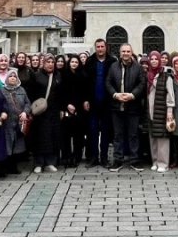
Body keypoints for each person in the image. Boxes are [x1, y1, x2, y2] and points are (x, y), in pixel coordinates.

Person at [106, 44, 146, 172]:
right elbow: (108, 82)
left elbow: (142, 83)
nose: (126, 53)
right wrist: (115, 94)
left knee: (133, 134)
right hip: (116, 106)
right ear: (120, 53)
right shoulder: (113, 67)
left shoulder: (138, 67)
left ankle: (134, 160)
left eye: (128, 51)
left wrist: (133, 95)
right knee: (118, 135)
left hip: (133, 106)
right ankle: (118, 160)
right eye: (123, 51)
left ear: (131, 52)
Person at [26, 55, 69, 173]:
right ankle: (38, 163)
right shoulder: (36, 76)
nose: (50, 64)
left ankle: (50, 162)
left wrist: (61, 109)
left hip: (54, 111)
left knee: (53, 136)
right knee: (40, 137)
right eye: (48, 62)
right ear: (43, 63)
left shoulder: (58, 76)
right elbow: (30, 93)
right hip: (40, 113)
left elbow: (61, 94)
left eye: (52, 62)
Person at [84, 39, 117, 168]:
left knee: (106, 131)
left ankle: (104, 158)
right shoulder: (90, 61)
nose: (100, 49)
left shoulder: (112, 62)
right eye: (98, 46)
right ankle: (93, 157)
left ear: (106, 47)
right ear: (95, 48)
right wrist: (86, 99)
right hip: (93, 102)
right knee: (92, 131)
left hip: (107, 102)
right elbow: (85, 82)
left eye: (102, 46)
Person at [143, 51, 176, 172]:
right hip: (150, 111)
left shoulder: (166, 76)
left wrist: (169, 111)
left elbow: (170, 95)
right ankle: (155, 161)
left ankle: (163, 163)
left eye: (156, 59)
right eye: (151, 59)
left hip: (162, 110)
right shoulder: (147, 75)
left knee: (162, 138)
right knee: (153, 137)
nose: (153, 61)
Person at [1, 69, 30, 174]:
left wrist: (25, 112)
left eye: (14, 76)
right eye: (10, 76)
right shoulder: (2, 90)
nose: (12, 78)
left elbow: (27, 103)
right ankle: (5, 167)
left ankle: (14, 167)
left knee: (16, 145)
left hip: (19, 122)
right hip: (7, 122)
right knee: (7, 144)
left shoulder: (21, 90)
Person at [61, 56, 87, 167]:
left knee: (78, 135)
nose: (74, 64)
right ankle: (66, 156)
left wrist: (76, 106)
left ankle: (77, 156)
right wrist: (67, 105)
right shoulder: (63, 75)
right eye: (72, 61)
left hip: (79, 109)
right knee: (65, 135)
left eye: (76, 62)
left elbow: (84, 93)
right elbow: (60, 93)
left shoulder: (83, 75)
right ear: (69, 63)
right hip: (66, 107)